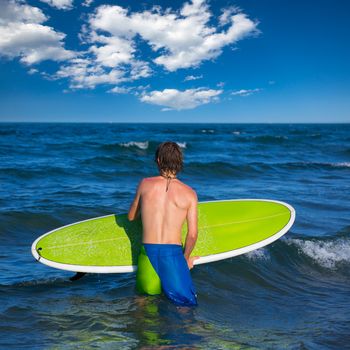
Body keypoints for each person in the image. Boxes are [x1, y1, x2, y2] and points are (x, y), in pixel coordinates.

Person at [128, 141, 199, 306]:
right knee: (185, 306)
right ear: (179, 162)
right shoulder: (189, 193)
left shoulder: (145, 183)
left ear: (158, 160)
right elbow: (192, 234)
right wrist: (185, 259)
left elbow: (131, 217)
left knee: (144, 302)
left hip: (147, 253)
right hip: (173, 255)